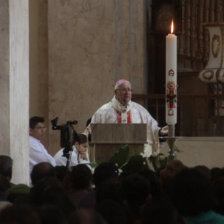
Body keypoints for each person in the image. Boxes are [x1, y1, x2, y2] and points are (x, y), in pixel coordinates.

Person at [87, 79, 168, 153]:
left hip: (136, 153)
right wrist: (91, 134)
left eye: (129, 90)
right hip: (111, 153)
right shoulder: (104, 111)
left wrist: (160, 131)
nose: (127, 93)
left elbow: (152, 127)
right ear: (116, 92)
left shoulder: (140, 110)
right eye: (124, 90)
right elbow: (91, 131)